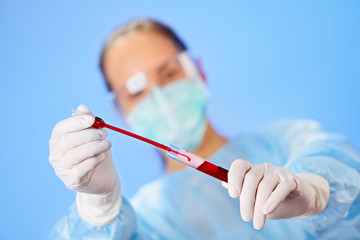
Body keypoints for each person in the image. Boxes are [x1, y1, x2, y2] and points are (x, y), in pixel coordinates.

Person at [48, 19, 360, 239]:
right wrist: (99, 209)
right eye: (137, 92)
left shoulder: (288, 141)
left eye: (169, 74)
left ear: (199, 72)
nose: (160, 98)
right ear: (121, 112)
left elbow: (347, 176)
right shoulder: (146, 223)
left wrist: (314, 192)